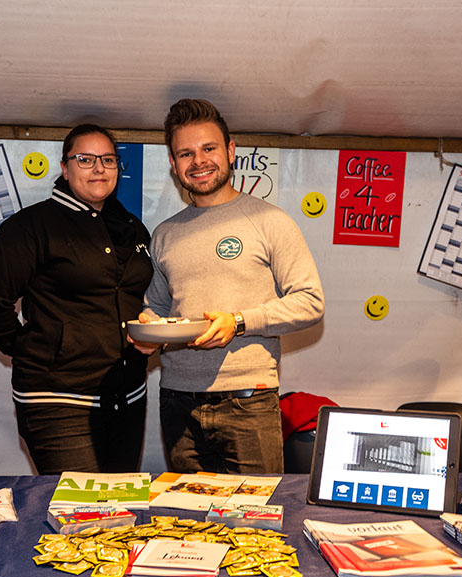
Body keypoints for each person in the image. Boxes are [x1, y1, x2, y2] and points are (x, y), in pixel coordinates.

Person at [133, 98, 324, 474]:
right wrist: (148, 331)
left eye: (209, 149)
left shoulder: (269, 221)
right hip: (177, 401)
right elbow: (156, 307)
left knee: (257, 510)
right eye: (186, 153)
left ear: (231, 151)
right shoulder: (166, 233)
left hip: (248, 402)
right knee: (186, 510)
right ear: (173, 163)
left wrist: (238, 321)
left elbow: (310, 302)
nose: (198, 161)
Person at [0, 124, 153, 473]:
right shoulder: (31, 227)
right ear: (65, 168)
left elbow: (138, 299)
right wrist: (34, 350)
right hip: (57, 402)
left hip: (127, 399)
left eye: (108, 159)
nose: (99, 168)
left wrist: (150, 334)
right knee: (77, 506)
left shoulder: (132, 228)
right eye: (85, 159)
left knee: (119, 504)